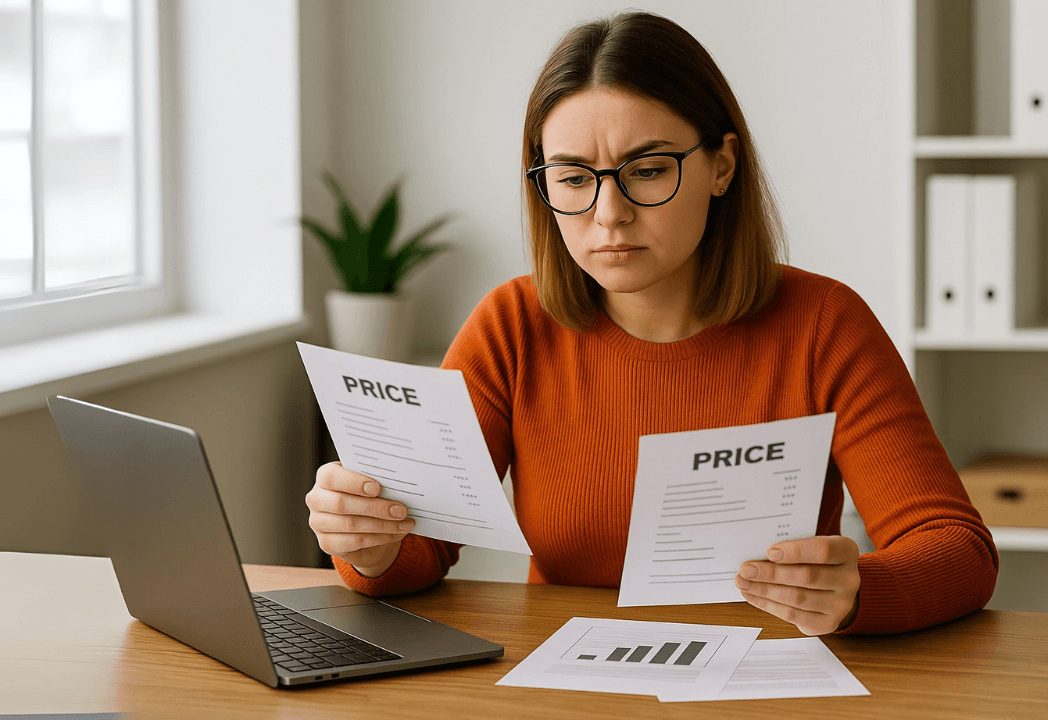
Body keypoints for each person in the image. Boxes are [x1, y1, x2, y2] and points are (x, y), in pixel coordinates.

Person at [305, 11, 998, 636]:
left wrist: (857, 591)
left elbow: (955, 548)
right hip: (565, 685)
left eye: (647, 169)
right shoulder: (511, 325)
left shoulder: (823, 324)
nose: (610, 214)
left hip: (766, 679)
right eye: (574, 178)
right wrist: (371, 544)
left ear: (721, 165)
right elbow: (422, 551)